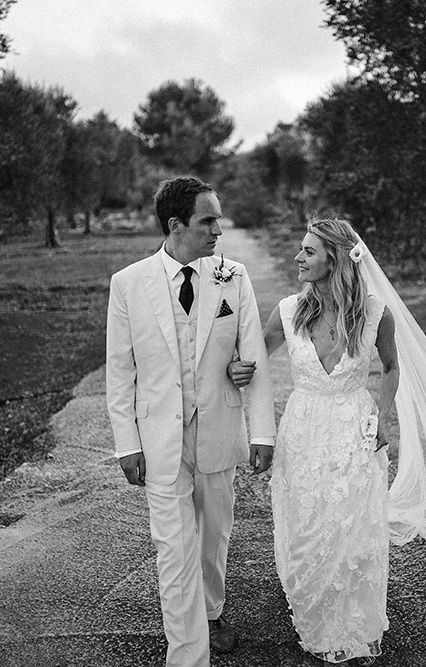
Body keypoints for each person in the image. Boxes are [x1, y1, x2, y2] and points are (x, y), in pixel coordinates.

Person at [251, 217, 426, 665]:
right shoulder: (288, 311)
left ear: (336, 259)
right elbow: (254, 358)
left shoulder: (375, 313)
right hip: (303, 428)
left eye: (308, 251)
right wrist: (237, 373)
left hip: (353, 426)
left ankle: (347, 615)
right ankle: (307, 594)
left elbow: (392, 367)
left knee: (349, 522)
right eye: (300, 249)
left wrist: (383, 417)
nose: (298, 257)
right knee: (307, 520)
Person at [105, 176, 276, 667]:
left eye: (218, 219)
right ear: (176, 225)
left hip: (219, 428)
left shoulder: (233, 277)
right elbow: (120, 373)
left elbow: (254, 359)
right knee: (174, 550)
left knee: (214, 534)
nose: (219, 230)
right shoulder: (128, 284)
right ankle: (187, 655)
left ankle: (212, 609)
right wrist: (126, 444)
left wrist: (260, 432)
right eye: (208, 220)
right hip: (159, 440)